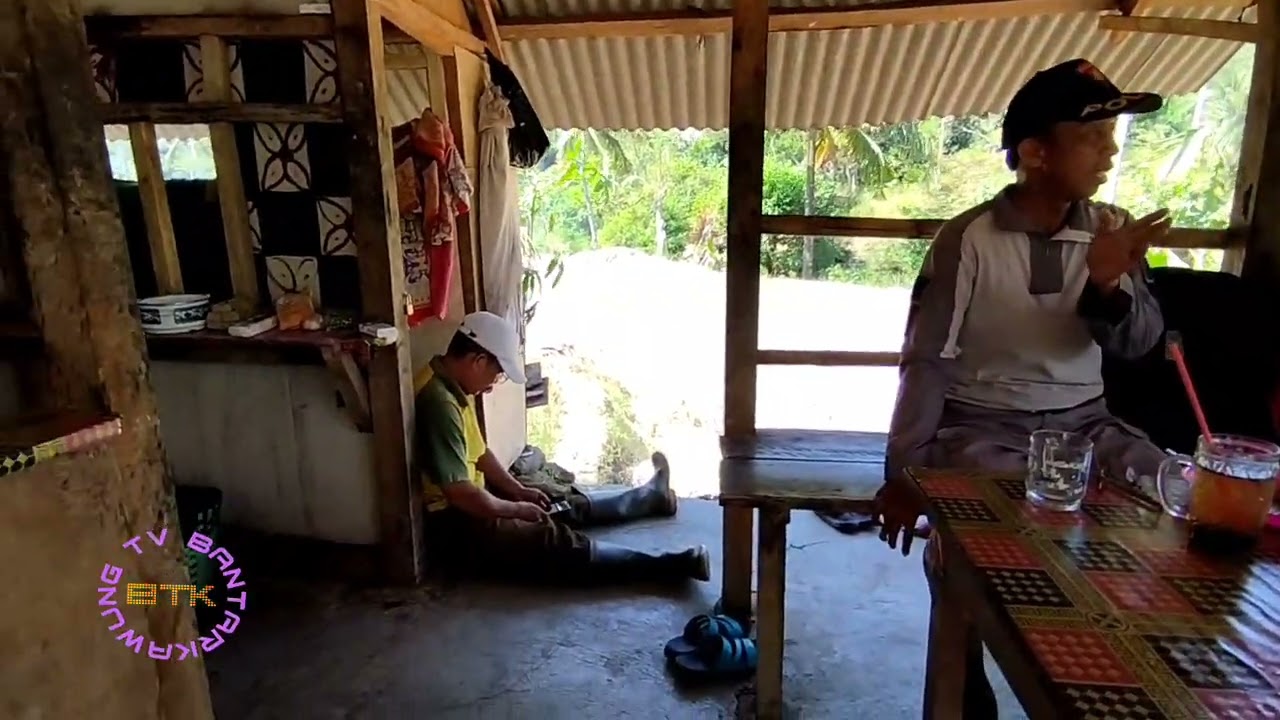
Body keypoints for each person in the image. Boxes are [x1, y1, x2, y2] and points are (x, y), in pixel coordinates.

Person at [876, 59, 1174, 718]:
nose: (1111, 151)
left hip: (1085, 424)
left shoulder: (1110, 230)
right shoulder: (970, 240)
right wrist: (902, 474)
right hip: (982, 429)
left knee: (1171, 486)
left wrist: (1106, 284)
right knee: (991, 532)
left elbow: (1140, 344)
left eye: (1113, 136)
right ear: (1036, 153)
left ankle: (1137, 673)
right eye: (1093, 137)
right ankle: (966, 681)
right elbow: (928, 362)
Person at [415, 310, 710, 585]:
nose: (493, 384)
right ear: (478, 360)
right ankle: (669, 567)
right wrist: (514, 509)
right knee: (549, 539)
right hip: (457, 525)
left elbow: (480, 455)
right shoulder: (439, 403)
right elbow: (461, 495)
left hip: (474, 503)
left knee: (553, 501)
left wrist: (518, 490)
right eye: (497, 373)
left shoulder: (451, 386)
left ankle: (648, 498)